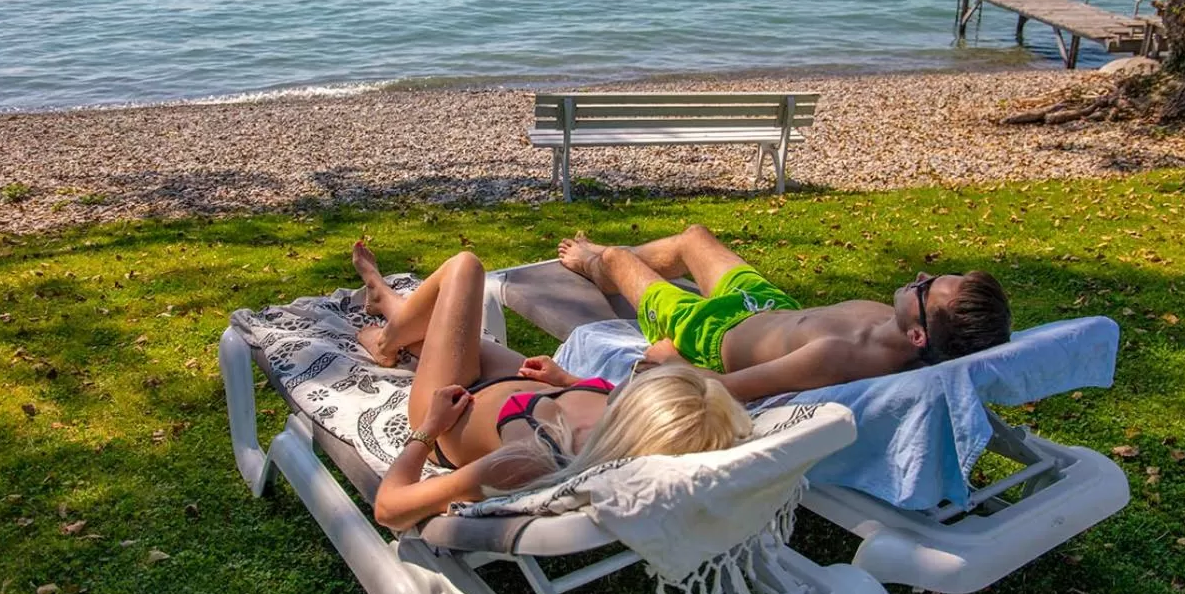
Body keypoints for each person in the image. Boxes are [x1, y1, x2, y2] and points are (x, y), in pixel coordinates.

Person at [351, 243, 752, 531]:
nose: (643, 368)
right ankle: (384, 301)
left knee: (465, 268)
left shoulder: (529, 460)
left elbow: (391, 508)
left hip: (449, 408)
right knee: (441, 333)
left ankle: (385, 340)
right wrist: (567, 382)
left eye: (645, 377)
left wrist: (427, 431)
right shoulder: (621, 422)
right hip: (518, 384)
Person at [556, 225, 1012, 402]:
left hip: (708, 333)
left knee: (616, 255)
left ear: (918, 337)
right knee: (694, 238)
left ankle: (595, 264)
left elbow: (725, 390)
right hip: (766, 305)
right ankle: (616, 268)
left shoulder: (837, 356)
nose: (920, 273)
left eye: (927, 287)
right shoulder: (896, 326)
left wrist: (669, 360)